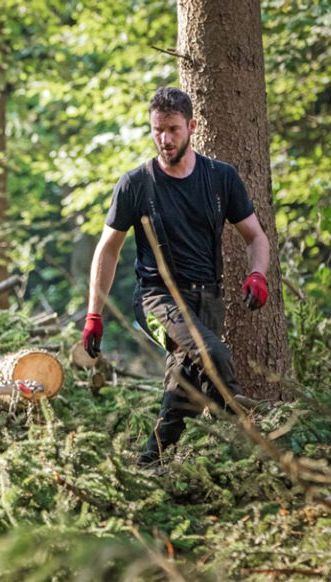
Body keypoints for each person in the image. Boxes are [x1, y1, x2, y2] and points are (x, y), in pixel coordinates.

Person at [82, 87, 270, 467]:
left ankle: (148, 466)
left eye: (172, 129)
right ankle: (248, 432)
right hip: (156, 299)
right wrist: (94, 314)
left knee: (181, 394)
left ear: (192, 127)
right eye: (157, 130)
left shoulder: (221, 178)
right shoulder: (136, 184)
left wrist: (257, 275)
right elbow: (108, 250)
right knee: (210, 352)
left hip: (208, 299)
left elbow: (256, 236)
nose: (164, 139)